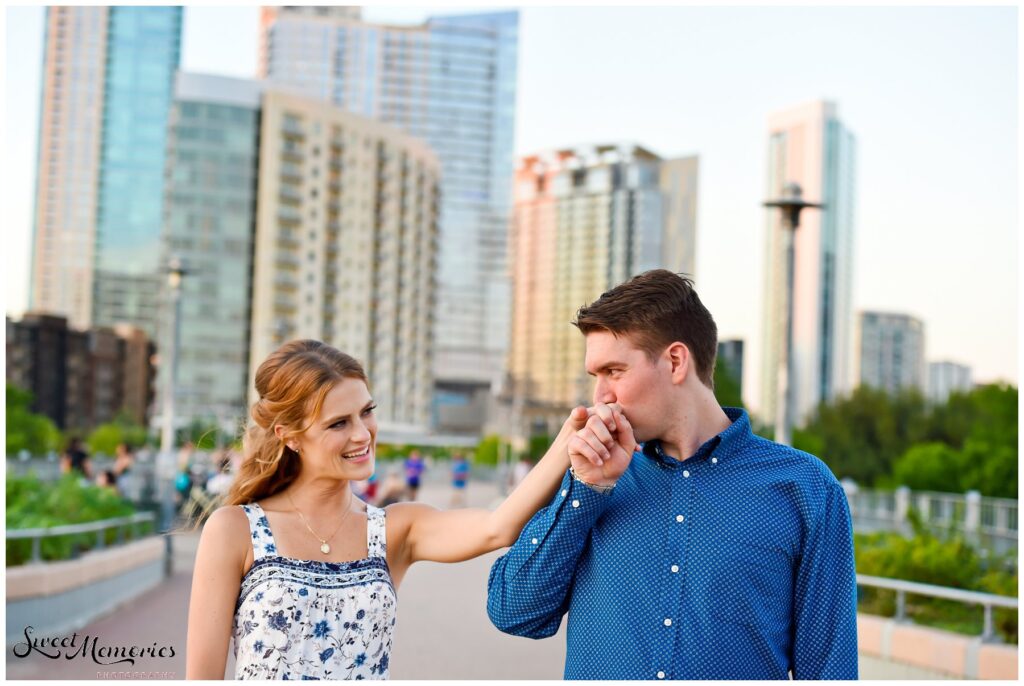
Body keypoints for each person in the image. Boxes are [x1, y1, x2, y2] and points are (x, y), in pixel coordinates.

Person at [486, 270, 858, 680]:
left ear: (676, 361)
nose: (600, 397)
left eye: (614, 371)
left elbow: (829, 669)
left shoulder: (805, 489)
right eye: (596, 377)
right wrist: (587, 490)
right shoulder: (590, 478)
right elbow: (513, 612)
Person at [185, 339, 605, 680]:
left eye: (366, 412)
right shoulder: (235, 530)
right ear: (289, 436)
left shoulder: (394, 529)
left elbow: (498, 527)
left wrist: (571, 438)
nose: (362, 434)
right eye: (338, 423)